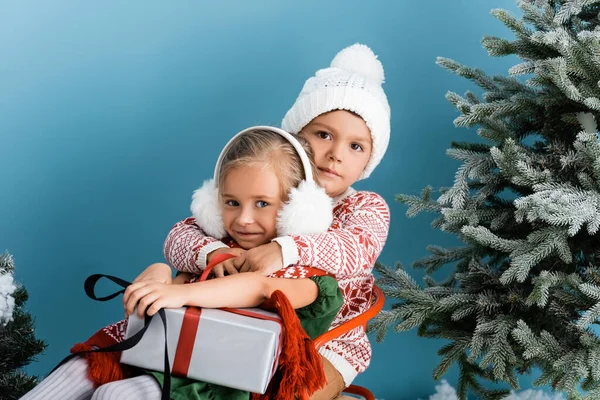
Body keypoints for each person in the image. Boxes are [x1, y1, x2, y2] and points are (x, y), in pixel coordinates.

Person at [21, 127, 343, 400]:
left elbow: (260, 288)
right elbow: (173, 290)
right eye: (231, 203)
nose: (244, 219)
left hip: (222, 382)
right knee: (78, 371)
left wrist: (181, 296)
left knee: (115, 395)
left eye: (262, 203)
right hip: (164, 355)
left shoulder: (311, 278)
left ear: (299, 208)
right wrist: (159, 281)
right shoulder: (216, 251)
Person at [161, 43, 392, 398]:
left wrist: (285, 248)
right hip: (252, 328)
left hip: (328, 341)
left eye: (355, 146)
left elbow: (356, 249)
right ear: (298, 136)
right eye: (324, 135)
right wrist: (211, 252)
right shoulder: (266, 188)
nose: (335, 155)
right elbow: (182, 233)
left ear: (368, 159)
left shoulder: (365, 207)